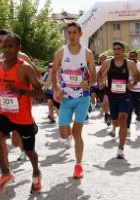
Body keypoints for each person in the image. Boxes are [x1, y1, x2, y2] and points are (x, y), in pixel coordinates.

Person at [0, 32, 44, 194]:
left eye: (11, 46)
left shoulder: (25, 68)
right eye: (4, 46)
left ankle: (36, 171)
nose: (7, 49)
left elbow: (40, 93)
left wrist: (20, 91)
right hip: (6, 114)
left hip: (23, 118)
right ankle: (6, 173)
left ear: (18, 48)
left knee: (29, 151)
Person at [50, 22, 97, 180]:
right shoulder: (60, 53)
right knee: (64, 134)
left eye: (74, 32)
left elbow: (94, 76)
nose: (71, 35)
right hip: (66, 98)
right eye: (68, 32)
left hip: (82, 98)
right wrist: (56, 88)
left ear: (80, 34)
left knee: (77, 132)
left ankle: (78, 165)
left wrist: (88, 83)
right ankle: (68, 136)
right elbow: (54, 72)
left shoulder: (87, 53)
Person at [97, 41, 140, 159]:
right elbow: (99, 73)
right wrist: (100, 81)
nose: (116, 51)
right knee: (115, 122)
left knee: (123, 119)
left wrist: (133, 83)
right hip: (112, 96)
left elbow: (138, 75)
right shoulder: (107, 62)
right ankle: (113, 124)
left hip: (125, 96)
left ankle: (121, 147)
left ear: (123, 50)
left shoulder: (130, 63)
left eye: (119, 49)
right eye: (114, 49)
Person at [128, 51, 140, 131]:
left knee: (137, 110)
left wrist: (135, 75)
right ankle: (127, 129)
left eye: (134, 56)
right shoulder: (126, 64)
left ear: (137, 56)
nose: (132, 58)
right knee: (129, 110)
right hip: (129, 91)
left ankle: (138, 117)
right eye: (130, 56)